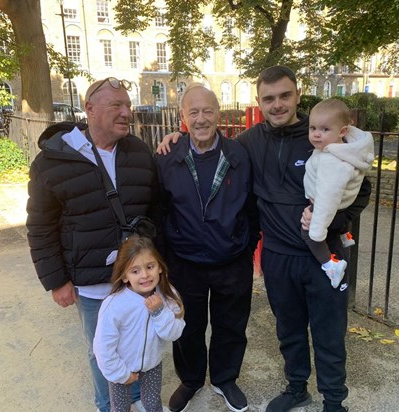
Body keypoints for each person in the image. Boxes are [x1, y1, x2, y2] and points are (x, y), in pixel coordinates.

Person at [157, 66, 371, 412]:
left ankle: (334, 402)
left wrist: (337, 221)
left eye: (285, 95)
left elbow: (362, 185)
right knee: (289, 331)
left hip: (320, 254)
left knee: (329, 334)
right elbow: (205, 149)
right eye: (269, 98)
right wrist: (174, 137)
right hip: (276, 256)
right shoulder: (249, 143)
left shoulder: (322, 136)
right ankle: (295, 388)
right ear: (259, 102)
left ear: (298, 96)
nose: (277, 104)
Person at [26, 77, 157, 412]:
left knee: (140, 342)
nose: (127, 112)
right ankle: (109, 405)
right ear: (89, 109)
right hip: (91, 284)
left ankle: (139, 400)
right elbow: (40, 227)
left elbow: (159, 211)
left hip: (138, 280)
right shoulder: (52, 162)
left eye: (127, 105)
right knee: (103, 349)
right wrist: (57, 280)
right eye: (117, 105)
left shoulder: (140, 152)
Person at [154, 83, 260, 412]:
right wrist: (164, 260)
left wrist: (246, 245)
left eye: (208, 111)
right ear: (182, 117)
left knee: (231, 324)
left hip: (232, 260)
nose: (201, 119)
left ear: (218, 113)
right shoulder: (166, 156)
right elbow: (158, 209)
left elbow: (253, 206)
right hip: (184, 262)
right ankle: (191, 379)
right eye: (193, 112)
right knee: (188, 326)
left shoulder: (239, 154)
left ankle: (225, 378)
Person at [94, 235, 185, 412]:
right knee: (120, 408)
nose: (144, 275)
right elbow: (103, 346)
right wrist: (121, 374)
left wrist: (159, 313)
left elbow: (175, 333)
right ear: (125, 276)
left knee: (152, 405)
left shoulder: (167, 295)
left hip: (152, 363)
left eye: (150, 267)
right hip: (122, 366)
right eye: (135, 271)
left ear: (159, 267)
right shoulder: (115, 304)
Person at [302, 99, 374, 289]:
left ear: (342, 131)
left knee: (308, 233)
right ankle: (345, 236)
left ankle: (331, 265)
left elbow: (328, 197)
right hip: (340, 201)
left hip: (325, 203)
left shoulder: (332, 162)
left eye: (325, 129)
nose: (317, 134)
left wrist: (316, 227)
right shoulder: (339, 149)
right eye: (313, 128)